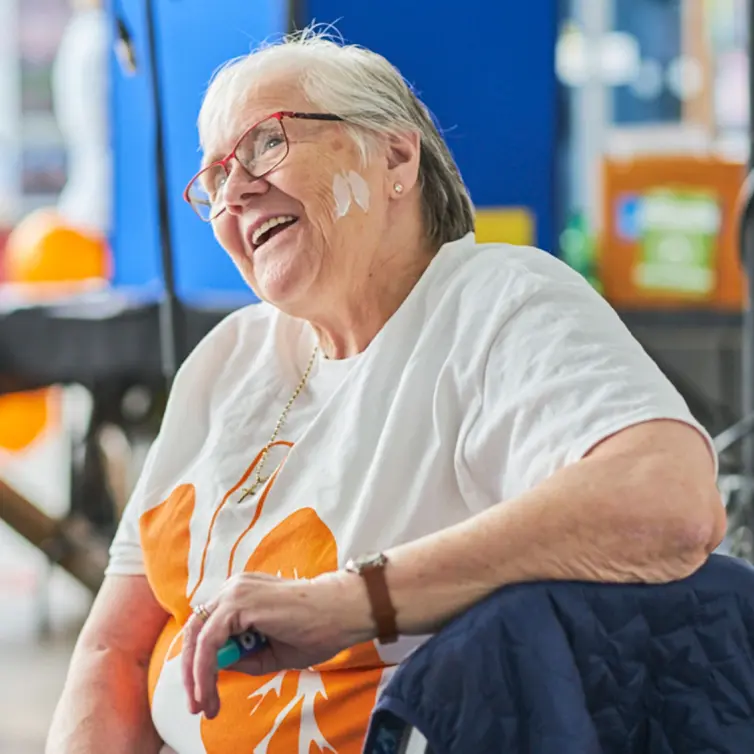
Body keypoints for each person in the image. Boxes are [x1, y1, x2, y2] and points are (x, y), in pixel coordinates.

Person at [47, 28, 726, 754]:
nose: (235, 193)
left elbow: (670, 497)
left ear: (396, 156)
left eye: (266, 144)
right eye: (214, 180)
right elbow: (112, 652)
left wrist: (351, 603)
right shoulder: (227, 359)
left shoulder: (494, 303)